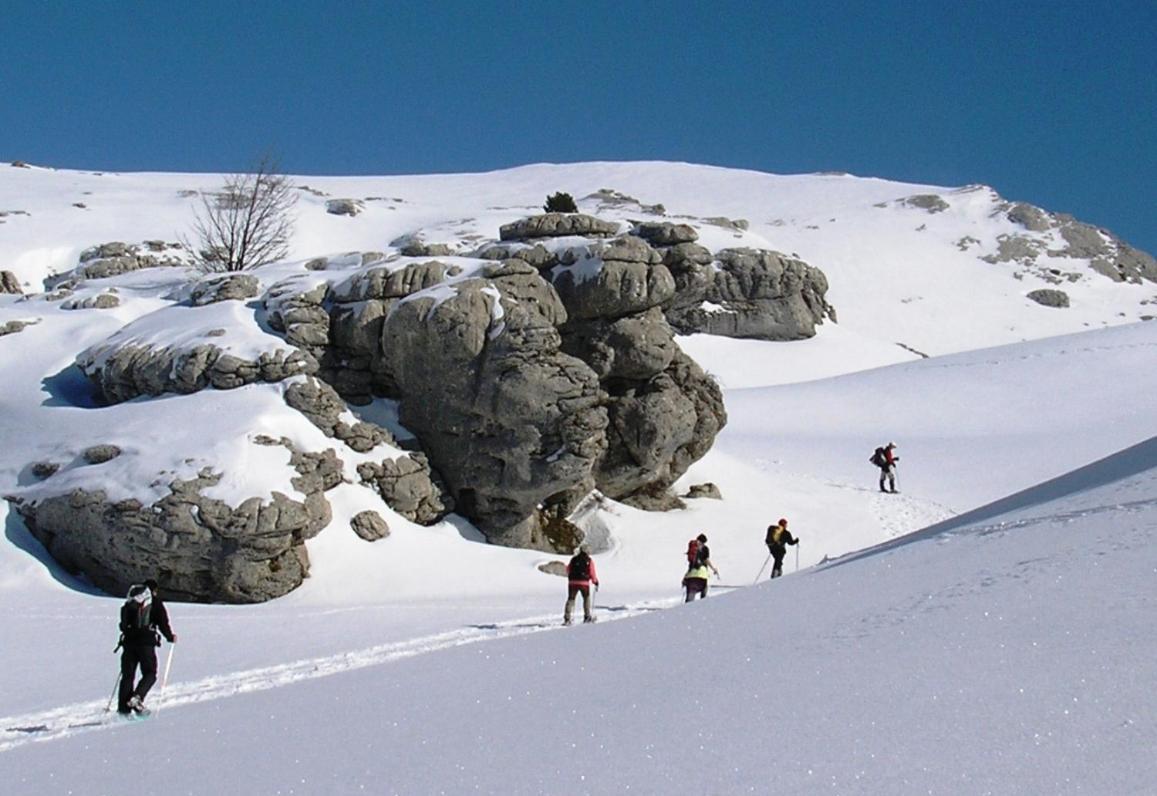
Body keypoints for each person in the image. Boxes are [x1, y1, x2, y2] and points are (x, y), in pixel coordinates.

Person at [116, 578, 176, 716]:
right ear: (153, 590)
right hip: (146, 642)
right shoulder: (155, 603)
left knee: (127, 675)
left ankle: (123, 710)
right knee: (150, 673)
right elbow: (162, 622)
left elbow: (123, 625)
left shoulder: (131, 600)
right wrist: (170, 636)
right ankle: (137, 698)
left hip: (129, 642)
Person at [563, 545, 599, 625]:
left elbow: (568, 569)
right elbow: (591, 572)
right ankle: (587, 616)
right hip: (584, 583)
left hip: (572, 582)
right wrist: (595, 581)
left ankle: (567, 618)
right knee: (586, 598)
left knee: (571, 599)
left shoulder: (573, 559)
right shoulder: (589, 560)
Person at [683, 533, 719, 602]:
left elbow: (691, 565)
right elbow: (706, 560)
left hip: (691, 576)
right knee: (703, 596)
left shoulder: (692, 549)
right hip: (702, 575)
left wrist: (685, 578)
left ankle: (687, 611)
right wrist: (713, 568)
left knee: (689, 599)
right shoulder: (705, 548)